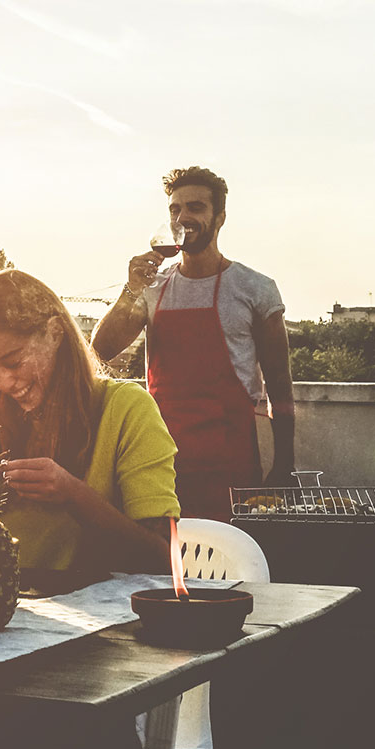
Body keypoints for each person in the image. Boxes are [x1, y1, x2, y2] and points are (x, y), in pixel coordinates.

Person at [92, 166, 297, 521]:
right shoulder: (152, 289)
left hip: (229, 462)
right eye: (175, 209)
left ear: (220, 218)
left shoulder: (255, 289)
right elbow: (103, 349)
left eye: (196, 208)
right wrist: (130, 289)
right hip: (157, 458)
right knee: (163, 563)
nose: (183, 217)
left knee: (229, 561)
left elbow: (280, 386)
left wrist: (284, 468)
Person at [0, 268, 175, 576]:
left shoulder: (127, 408)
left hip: (105, 616)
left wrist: (75, 494)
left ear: (55, 333)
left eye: (13, 362)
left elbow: (163, 558)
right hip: (8, 612)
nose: (3, 383)